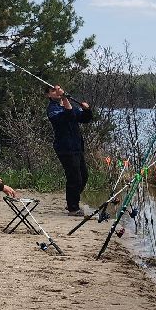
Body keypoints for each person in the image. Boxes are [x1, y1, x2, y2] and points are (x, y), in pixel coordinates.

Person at [47, 85, 95, 215]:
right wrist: (64, 98)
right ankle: (73, 208)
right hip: (65, 148)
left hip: (77, 147)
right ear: (49, 95)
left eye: (58, 89)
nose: (57, 92)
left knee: (84, 176)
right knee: (74, 177)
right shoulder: (52, 109)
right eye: (53, 90)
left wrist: (87, 110)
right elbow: (68, 115)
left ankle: (72, 201)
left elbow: (85, 119)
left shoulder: (69, 106)